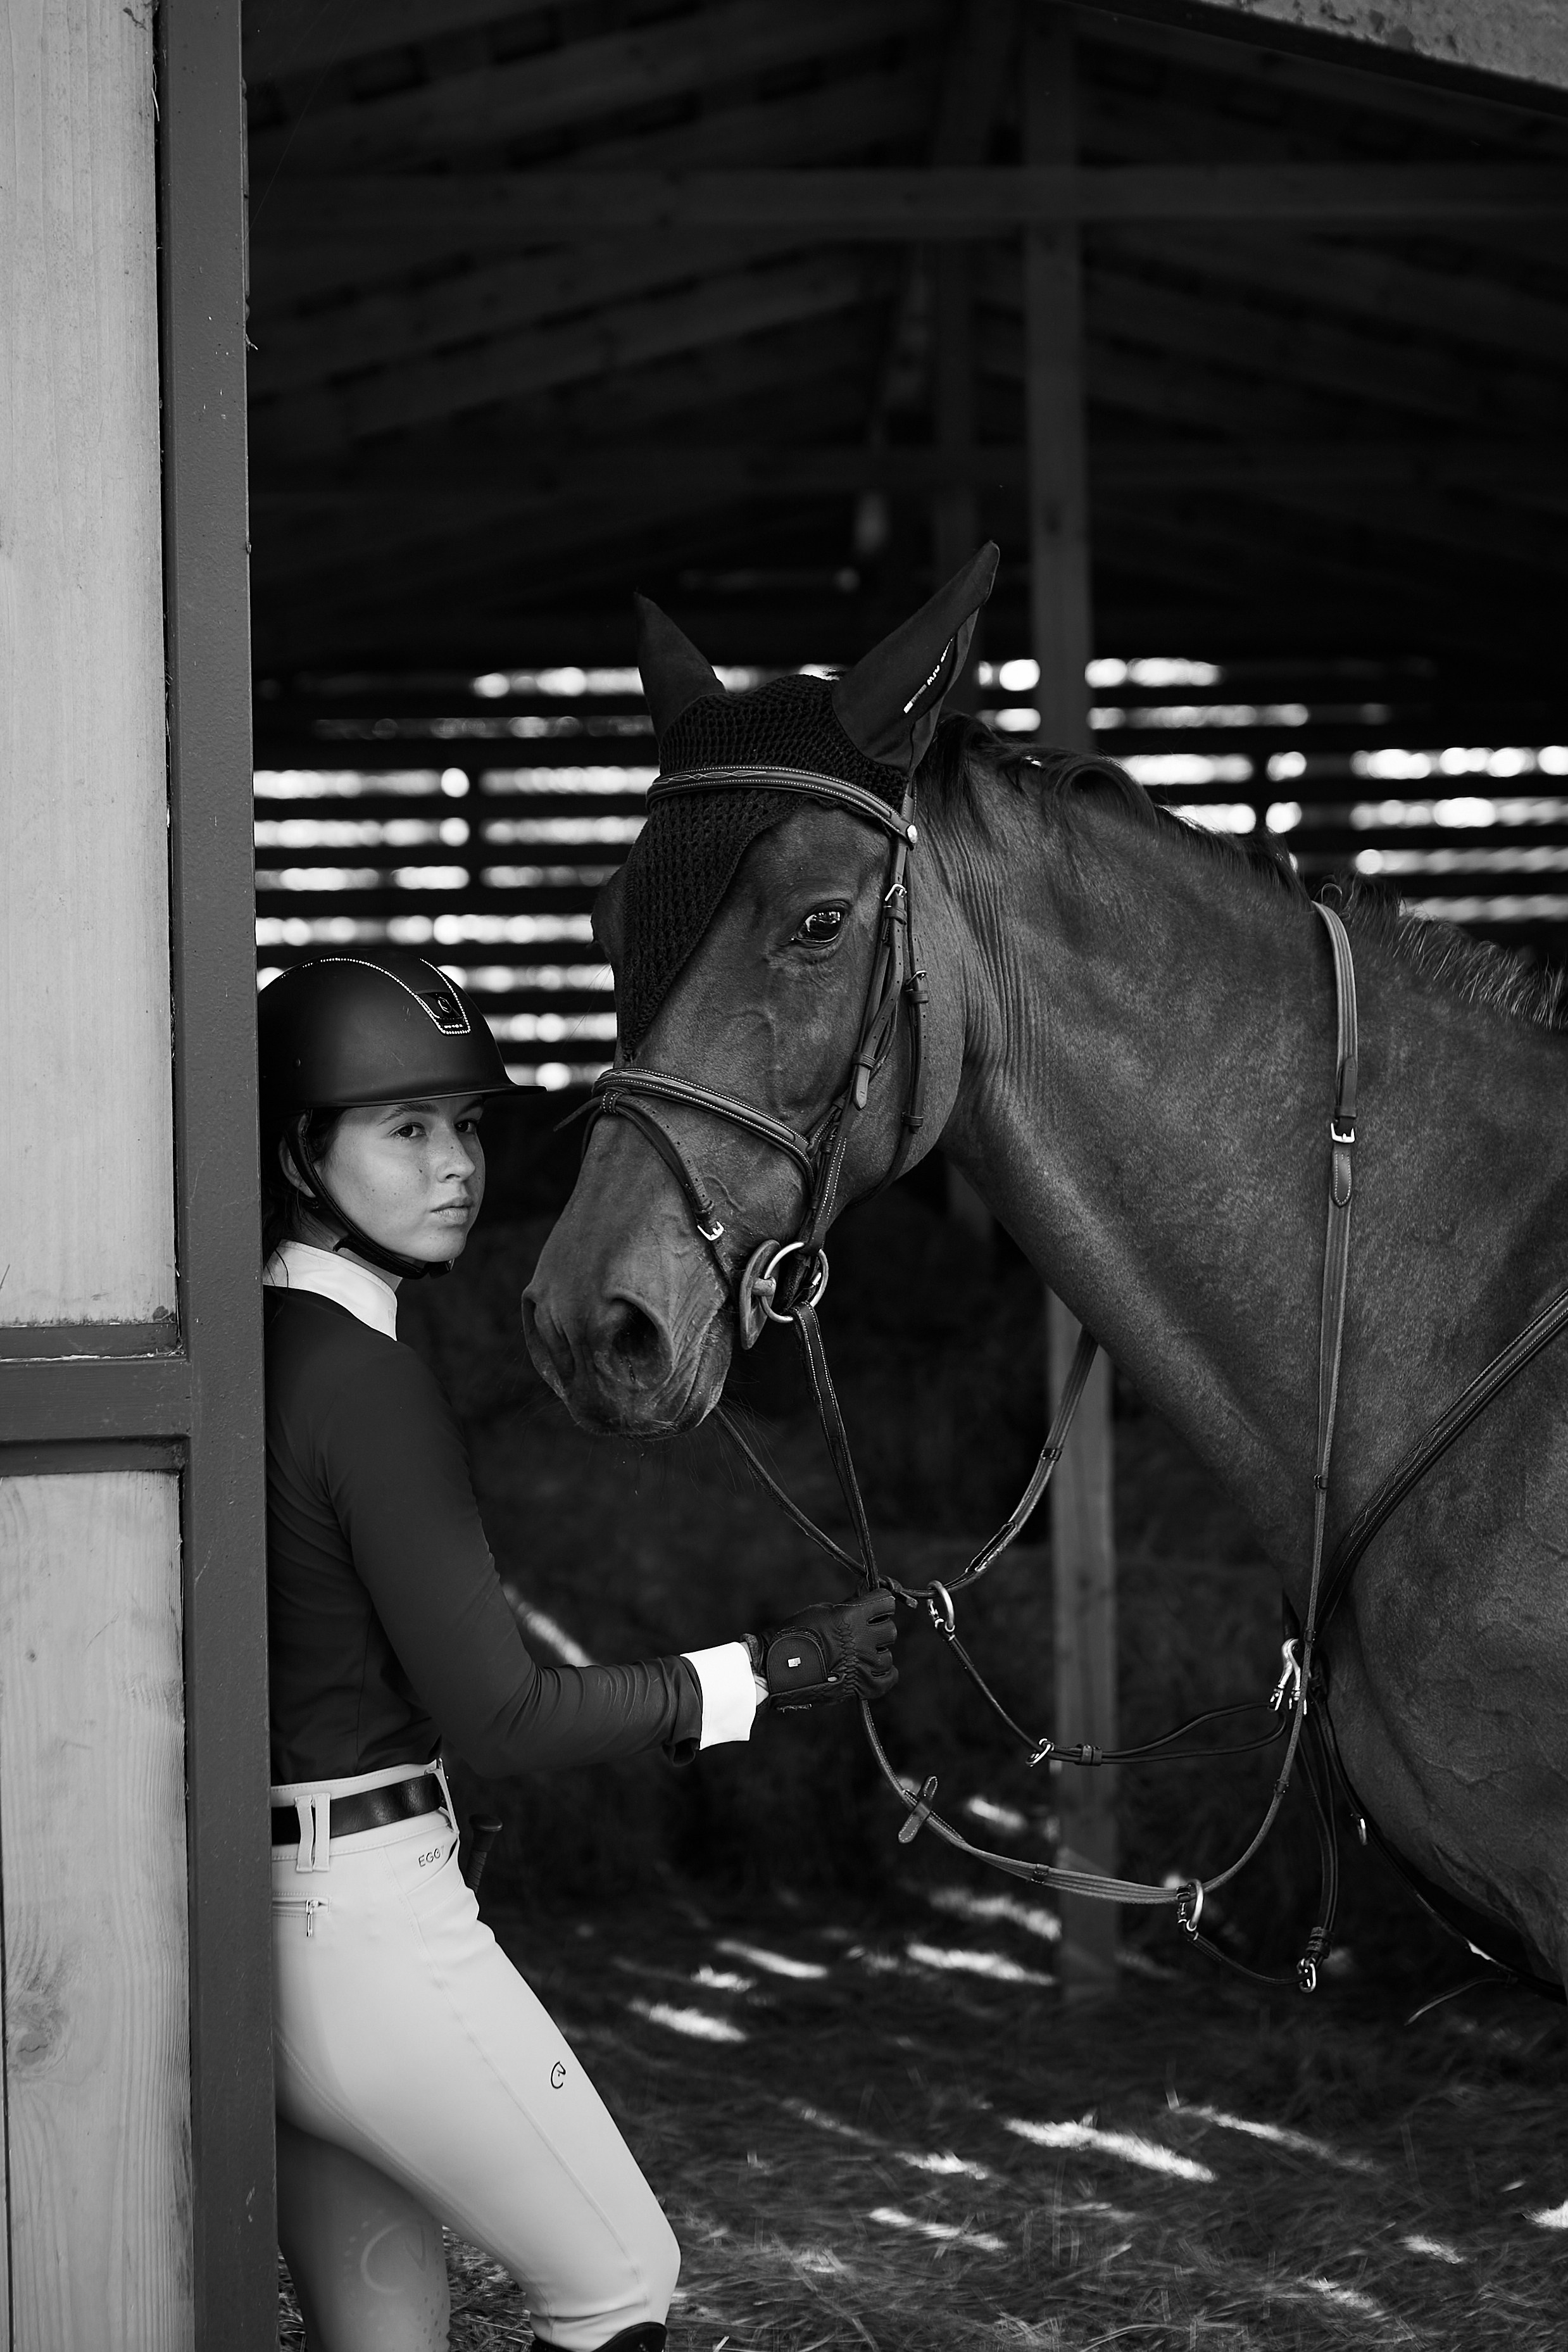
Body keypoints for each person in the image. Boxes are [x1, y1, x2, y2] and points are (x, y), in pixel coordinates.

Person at [258, 950, 898, 2352]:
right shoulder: (364, 1382)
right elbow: (503, 1714)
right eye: (405, 1129)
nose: (457, 1165)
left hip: (265, 1931)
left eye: (469, 1125)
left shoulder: (268, 1349)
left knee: (387, 2336)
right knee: (619, 2281)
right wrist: (759, 1676)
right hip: (368, 1927)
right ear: (304, 1153)